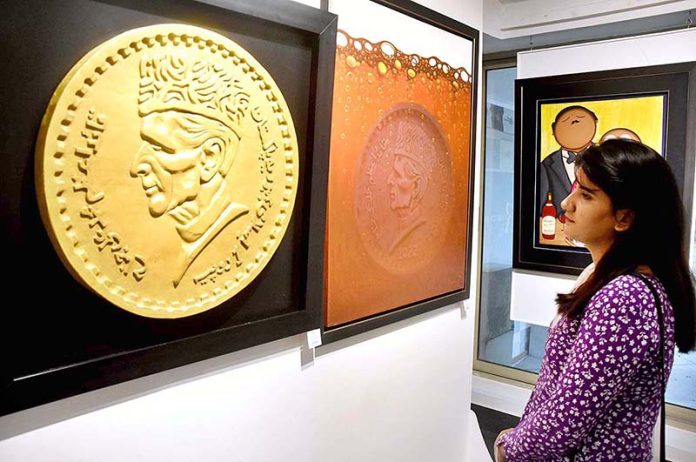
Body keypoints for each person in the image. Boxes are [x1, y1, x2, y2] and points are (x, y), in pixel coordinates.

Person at [495, 139, 696, 461]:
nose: (566, 203)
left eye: (586, 195)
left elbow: (568, 415)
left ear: (624, 218)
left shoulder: (626, 297)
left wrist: (510, 448)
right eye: (575, 189)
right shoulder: (605, 276)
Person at [130, 53, 251, 286]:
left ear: (209, 157)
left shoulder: (234, 232)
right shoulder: (170, 240)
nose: (136, 166)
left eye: (159, 147)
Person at [539, 105, 598, 217]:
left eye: (578, 122)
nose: (574, 130)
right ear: (554, 129)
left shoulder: (606, 157)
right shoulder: (547, 164)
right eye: (566, 123)